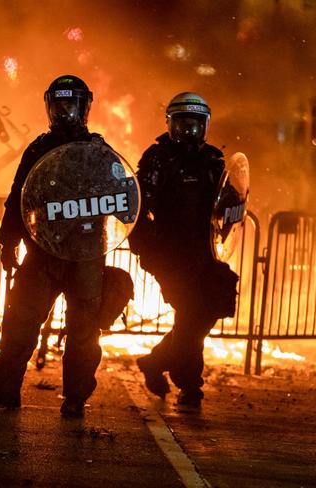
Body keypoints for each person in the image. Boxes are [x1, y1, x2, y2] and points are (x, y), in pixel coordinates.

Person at [0, 75, 108, 418]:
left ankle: (76, 399)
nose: (63, 112)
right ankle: (4, 393)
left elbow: (121, 199)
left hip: (85, 255)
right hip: (43, 251)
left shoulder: (98, 151)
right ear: (49, 106)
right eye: (58, 105)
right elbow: (19, 196)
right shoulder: (38, 149)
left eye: (70, 105)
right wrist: (8, 240)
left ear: (84, 107)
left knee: (83, 333)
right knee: (19, 324)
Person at [128, 92, 239, 408]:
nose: (189, 132)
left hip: (205, 254)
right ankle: (190, 386)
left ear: (204, 126)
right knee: (192, 313)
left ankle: (156, 362)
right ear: (171, 125)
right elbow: (137, 205)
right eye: (182, 125)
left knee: (209, 308)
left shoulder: (213, 163)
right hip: (169, 254)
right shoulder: (157, 160)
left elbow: (228, 207)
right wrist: (146, 245)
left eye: (195, 125)